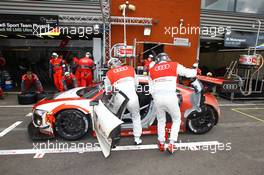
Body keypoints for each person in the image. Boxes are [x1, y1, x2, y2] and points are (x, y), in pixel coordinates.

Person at [149, 53, 199, 154]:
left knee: (161, 120)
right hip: (170, 97)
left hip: (157, 98)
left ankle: (161, 142)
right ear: (166, 58)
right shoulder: (173, 65)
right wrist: (196, 70)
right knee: (176, 119)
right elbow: (188, 73)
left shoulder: (152, 69)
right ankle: (172, 143)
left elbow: (151, 89)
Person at [104, 58, 142, 145]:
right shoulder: (130, 68)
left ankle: (114, 139)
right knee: (136, 117)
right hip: (132, 96)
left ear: (111, 66)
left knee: (116, 118)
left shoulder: (109, 73)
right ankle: (137, 139)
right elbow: (137, 84)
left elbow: (108, 90)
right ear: (120, 63)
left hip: (119, 97)